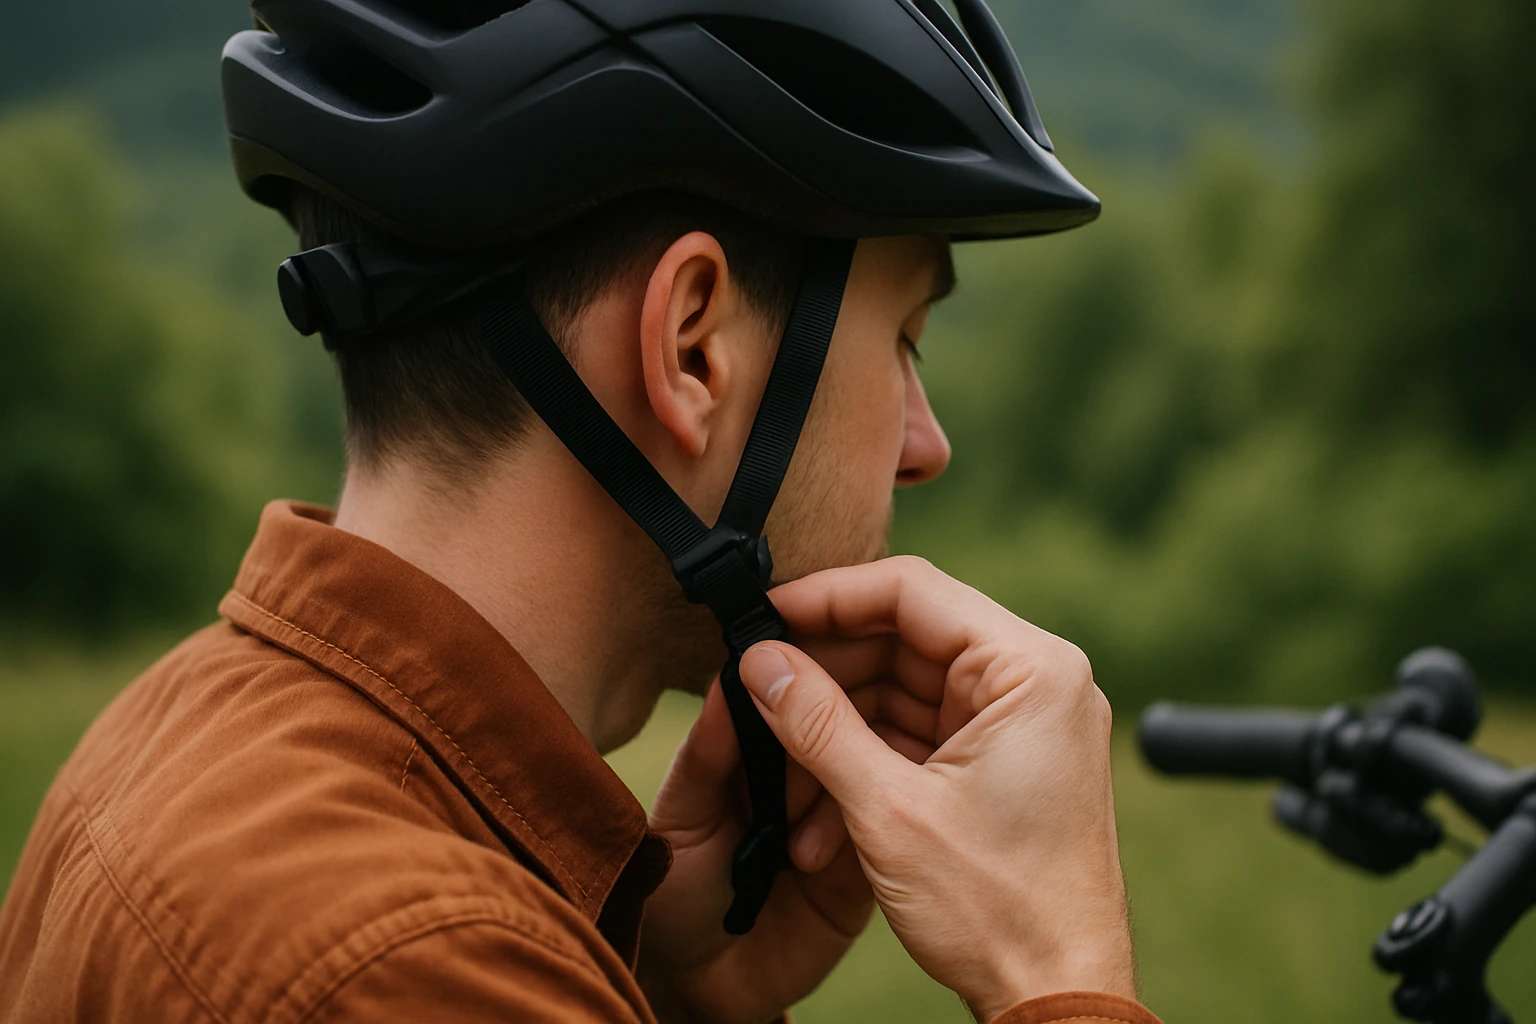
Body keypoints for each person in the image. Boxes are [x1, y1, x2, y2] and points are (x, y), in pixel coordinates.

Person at [0, 1, 1160, 1022]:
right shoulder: (411, 968)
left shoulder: (185, 728)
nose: (927, 443)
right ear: (691, 346)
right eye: (903, 338)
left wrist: (666, 999)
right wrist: (1054, 971)